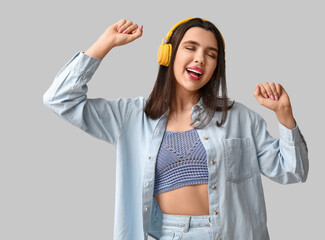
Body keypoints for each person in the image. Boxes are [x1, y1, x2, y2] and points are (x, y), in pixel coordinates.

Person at [43, 17, 309, 240]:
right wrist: (105, 44)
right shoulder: (131, 117)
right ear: (167, 54)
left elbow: (293, 171)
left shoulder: (239, 117)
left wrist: (284, 116)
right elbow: (60, 99)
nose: (200, 59)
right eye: (190, 48)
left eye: (211, 54)